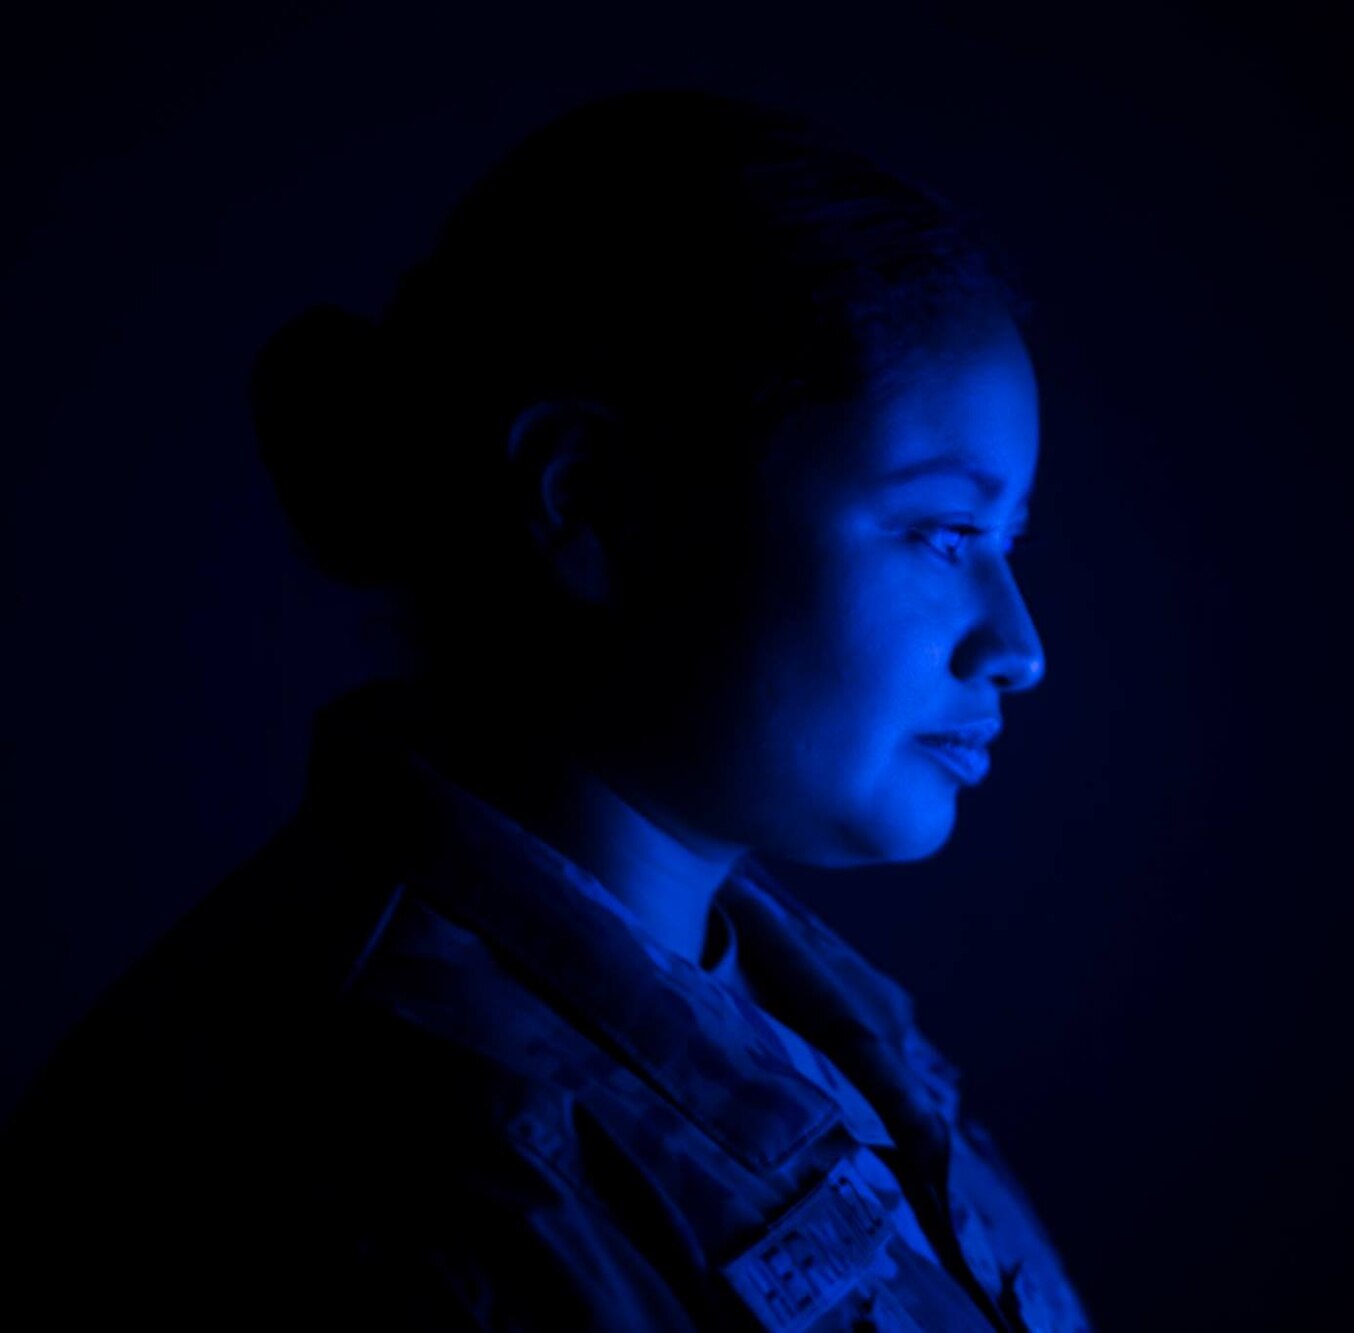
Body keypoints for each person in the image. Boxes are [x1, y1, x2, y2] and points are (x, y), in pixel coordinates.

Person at [0, 88, 1091, 1331]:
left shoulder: (812, 1020)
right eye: (944, 535)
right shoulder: (380, 1175)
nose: (1019, 649)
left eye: (1009, 543)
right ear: (589, 503)